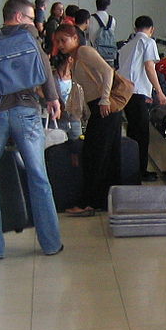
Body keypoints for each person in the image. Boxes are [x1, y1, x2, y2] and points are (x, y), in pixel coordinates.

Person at [0, 0, 64, 259]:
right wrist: (53, 98)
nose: (36, 23)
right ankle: (51, 243)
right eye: (32, 18)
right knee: (38, 177)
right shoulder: (30, 40)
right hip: (26, 112)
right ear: (19, 17)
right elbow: (45, 67)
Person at [52, 24, 122, 216]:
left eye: (63, 40)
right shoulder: (75, 57)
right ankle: (104, 200)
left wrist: (105, 98)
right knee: (105, 155)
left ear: (75, 38)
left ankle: (87, 202)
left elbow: (108, 71)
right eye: (57, 41)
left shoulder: (84, 51)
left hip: (104, 108)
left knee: (93, 156)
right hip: (99, 109)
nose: (60, 45)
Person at [117, 14, 166, 181]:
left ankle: (131, 170)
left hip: (125, 94)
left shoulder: (126, 46)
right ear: (152, 29)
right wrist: (159, 91)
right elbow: (149, 67)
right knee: (142, 134)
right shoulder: (148, 42)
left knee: (132, 132)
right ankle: (141, 172)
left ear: (135, 28)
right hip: (138, 93)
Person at [92, 0, 118, 65]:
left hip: (95, 54)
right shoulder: (112, 20)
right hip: (109, 54)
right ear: (107, 6)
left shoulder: (90, 19)